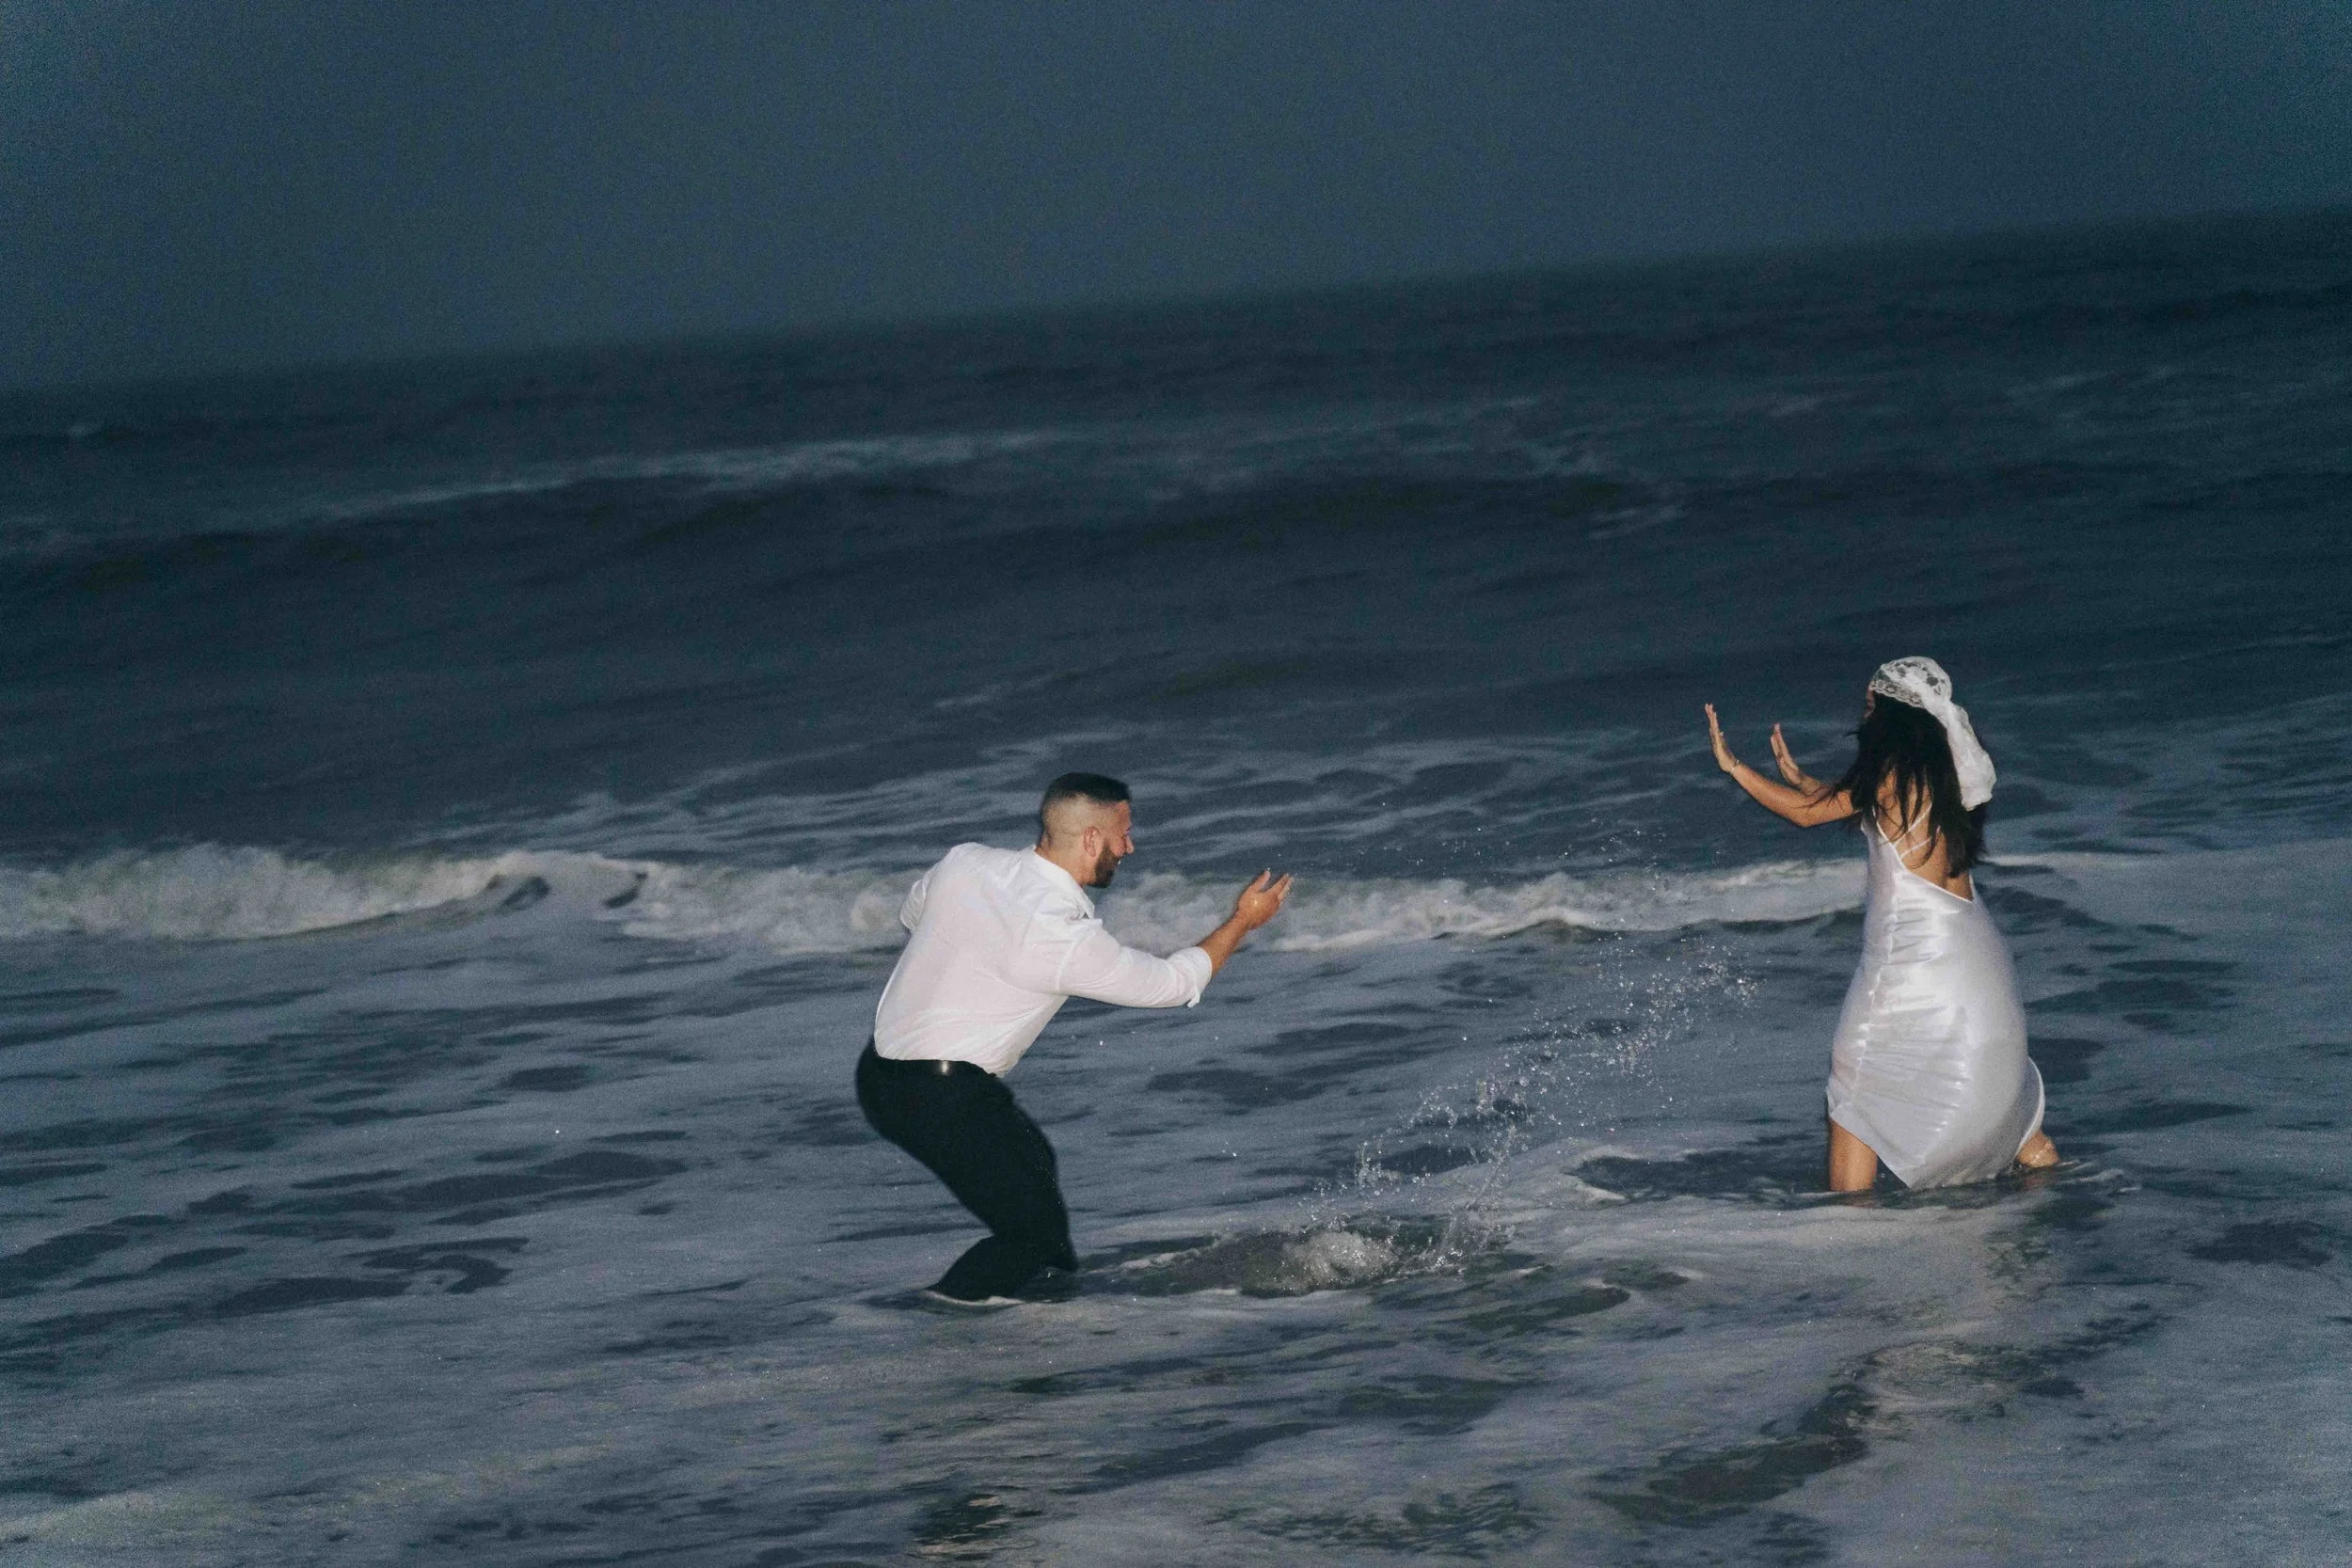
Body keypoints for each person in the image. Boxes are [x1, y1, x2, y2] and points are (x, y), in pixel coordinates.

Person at [855, 771, 1294, 1304]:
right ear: (1091, 839)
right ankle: (937, 1319)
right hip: (941, 1097)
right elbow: (1175, 985)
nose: (1129, 847)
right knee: (1032, 1242)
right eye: (1122, 834)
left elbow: (914, 915)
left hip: (878, 1076)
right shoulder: (1061, 934)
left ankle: (1033, 1317)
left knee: (1034, 1165)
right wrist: (1243, 921)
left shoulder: (964, 862)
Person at [1705, 657, 2060, 1193]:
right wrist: (1800, 778)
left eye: (1871, 703)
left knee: (1855, 1085)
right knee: (1990, 1086)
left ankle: (1853, 1232)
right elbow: (1850, 805)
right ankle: (2051, 1180)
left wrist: (1734, 767)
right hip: (1976, 953)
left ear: (1892, 713)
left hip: (1918, 959)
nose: (1864, 712)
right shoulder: (1944, 775)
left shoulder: (1891, 771)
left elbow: (1807, 815)